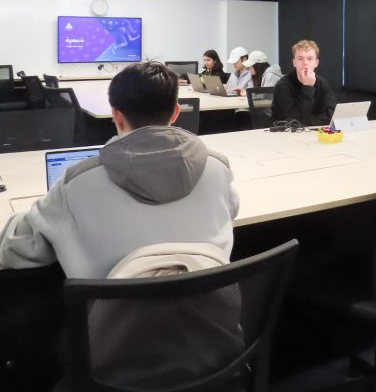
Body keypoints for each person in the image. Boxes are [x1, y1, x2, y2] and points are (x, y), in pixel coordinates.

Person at [0, 61, 239, 278]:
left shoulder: (77, 183)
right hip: (210, 318)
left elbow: (15, 248)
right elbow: (231, 209)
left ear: (117, 115)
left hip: (118, 324)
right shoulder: (218, 168)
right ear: (176, 112)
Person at [271, 39, 336, 125]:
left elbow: (332, 116)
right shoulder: (283, 86)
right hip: (286, 134)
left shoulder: (322, 83)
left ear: (316, 63)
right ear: (294, 62)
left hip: (314, 133)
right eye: (300, 59)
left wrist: (309, 122)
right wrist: (308, 87)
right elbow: (295, 121)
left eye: (310, 59)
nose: (305, 63)